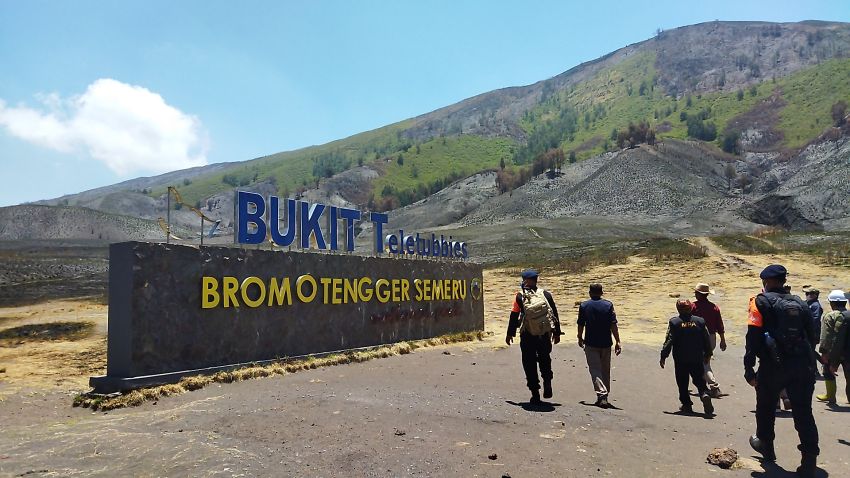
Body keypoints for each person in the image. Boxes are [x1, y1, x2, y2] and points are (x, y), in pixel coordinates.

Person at [744, 264, 819, 477]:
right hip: (802, 364)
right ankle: (809, 460)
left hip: (773, 364)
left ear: (766, 282)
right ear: (784, 281)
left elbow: (753, 336)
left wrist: (749, 366)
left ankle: (766, 446)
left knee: (766, 406)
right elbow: (811, 336)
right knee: (804, 411)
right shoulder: (800, 303)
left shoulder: (759, 301)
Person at [506, 269, 562, 403]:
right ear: (536, 280)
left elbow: (514, 315)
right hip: (544, 334)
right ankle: (547, 382)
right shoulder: (546, 294)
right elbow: (554, 313)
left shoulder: (520, 296)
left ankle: (535, 393)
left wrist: (510, 333)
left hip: (527, 334)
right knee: (545, 358)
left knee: (528, 362)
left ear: (525, 280)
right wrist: (557, 332)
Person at [660, 299, 714, 416]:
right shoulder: (699, 321)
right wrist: (708, 353)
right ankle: (704, 394)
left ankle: (687, 404)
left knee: (682, 382)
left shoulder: (675, 322)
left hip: (681, 359)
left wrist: (664, 355)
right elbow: (706, 339)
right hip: (696, 357)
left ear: (678, 309)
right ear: (691, 308)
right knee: (699, 379)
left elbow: (669, 340)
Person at [577, 283, 621, 408]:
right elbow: (613, 324)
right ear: (602, 292)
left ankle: (602, 395)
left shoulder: (584, 305)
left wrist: (579, 337)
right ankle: (604, 395)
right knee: (605, 370)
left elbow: (581, 324)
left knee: (595, 369)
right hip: (606, 342)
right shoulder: (608, 305)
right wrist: (618, 341)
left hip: (591, 342)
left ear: (590, 293)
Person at [692, 283, 726, 398]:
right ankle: (704, 386)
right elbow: (719, 325)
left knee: (703, 364)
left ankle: (714, 386)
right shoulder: (714, 307)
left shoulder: (693, 307)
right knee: (705, 361)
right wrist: (722, 340)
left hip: (698, 338)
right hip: (712, 337)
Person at [816, 289, 850, 404]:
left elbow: (826, 336)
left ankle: (830, 396)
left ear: (832, 303)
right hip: (848, 352)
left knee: (827, 371)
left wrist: (824, 352)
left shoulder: (830, 316)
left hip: (833, 351)